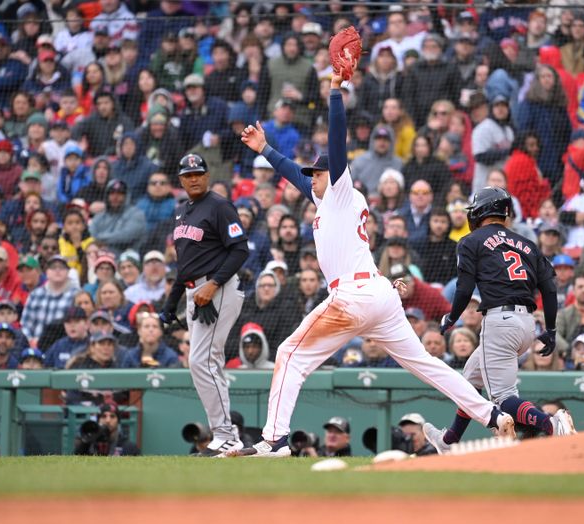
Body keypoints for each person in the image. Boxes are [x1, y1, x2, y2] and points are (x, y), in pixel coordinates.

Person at [233, 53, 515, 458]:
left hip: (353, 297)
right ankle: (491, 416)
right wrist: (265, 149)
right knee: (426, 365)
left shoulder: (341, 191)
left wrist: (334, 92)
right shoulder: (329, 199)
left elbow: (335, 142)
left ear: (331, 175)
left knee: (288, 354)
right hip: (378, 295)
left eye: (316, 171)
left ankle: (274, 439)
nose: (309, 175)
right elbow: (294, 174)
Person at [423, 186, 576, 456]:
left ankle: (551, 424)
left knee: (503, 399)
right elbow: (550, 288)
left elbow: (464, 288)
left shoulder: (471, 241)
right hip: (528, 324)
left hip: (499, 321)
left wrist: (452, 316)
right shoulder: (527, 243)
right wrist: (551, 329)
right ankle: (449, 440)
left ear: (480, 211)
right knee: (470, 380)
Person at [158, 153, 249, 457]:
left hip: (217, 287)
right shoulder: (183, 211)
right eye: (188, 175)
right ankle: (223, 434)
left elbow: (239, 251)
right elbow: (185, 265)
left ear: (207, 176)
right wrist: (171, 303)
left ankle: (227, 435)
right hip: (194, 291)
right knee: (202, 362)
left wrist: (213, 285)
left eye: (198, 173)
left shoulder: (220, 206)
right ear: (181, 180)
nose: (193, 178)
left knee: (203, 361)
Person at [73, 403, 140, 456]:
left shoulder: (128, 447)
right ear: (98, 420)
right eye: (104, 416)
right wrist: (84, 443)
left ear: (118, 421)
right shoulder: (88, 445)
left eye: (112, 416)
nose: (108, 420)